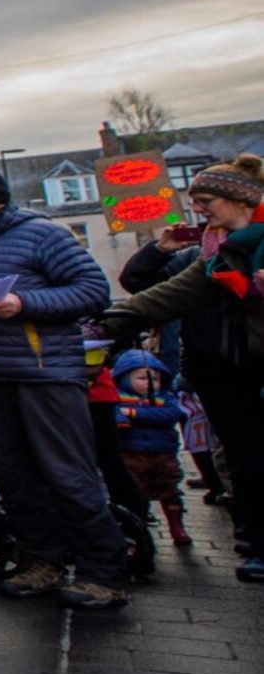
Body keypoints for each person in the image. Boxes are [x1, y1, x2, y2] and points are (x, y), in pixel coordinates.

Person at [0, 160, 130, 609]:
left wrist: (24, 302)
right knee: (14, 476)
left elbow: (92, 290)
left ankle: (103, 572)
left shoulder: (41, 234)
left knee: (67, 472)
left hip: (41, 375)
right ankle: (42, 561)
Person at [105, 153, 264, 582]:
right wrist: (109, 320)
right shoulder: (215, 253)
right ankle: (255, 545)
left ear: (243, 201)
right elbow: (165, 292)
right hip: (224, 370)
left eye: (207, 199)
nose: (199, 208)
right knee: (245, 457)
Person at [111, 349, 193, 547]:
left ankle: (176, 524)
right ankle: (140, 524)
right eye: (142, 378)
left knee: (170, 489)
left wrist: (133, 413)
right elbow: (113, 416)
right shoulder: (117, 399)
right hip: (131, 452)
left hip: (163, 454)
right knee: (137, 490)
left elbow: (171, 415)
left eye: (155, 379)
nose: (149, 383)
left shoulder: (166, 398)